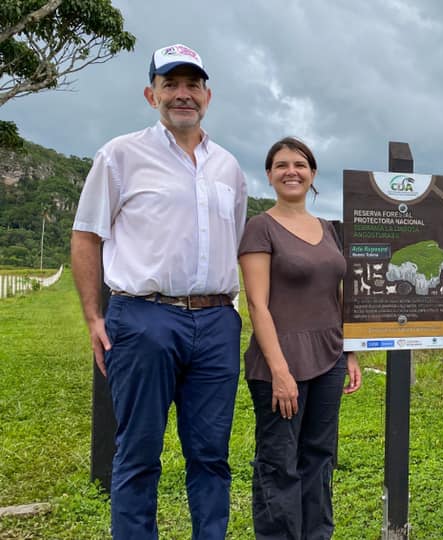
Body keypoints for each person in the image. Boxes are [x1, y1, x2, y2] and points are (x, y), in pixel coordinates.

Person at [70, 43, 247, 539]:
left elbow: (232, 241)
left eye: (193, 85)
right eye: (171, 84)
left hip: (215, 322)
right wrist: (92, 318)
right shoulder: (121, 155)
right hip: (145, 318)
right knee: (140, 451)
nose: (183, 95)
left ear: (208, 96)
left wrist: (230, 312)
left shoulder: (229, 167)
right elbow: (86, 235)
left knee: (211, 454)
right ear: (152, 94)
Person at [238, 137, 361, 539]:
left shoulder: (328, 229)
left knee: (320, 458)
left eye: (300, 164)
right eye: (281, 165)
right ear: (270, 175)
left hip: (329, 357)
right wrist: (279, 370)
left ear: (312, 174)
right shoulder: (261, 227)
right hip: (280, 361)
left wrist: (352, 353)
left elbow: (338, 293)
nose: (291, 171)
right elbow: (258, 305)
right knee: (279, 463)